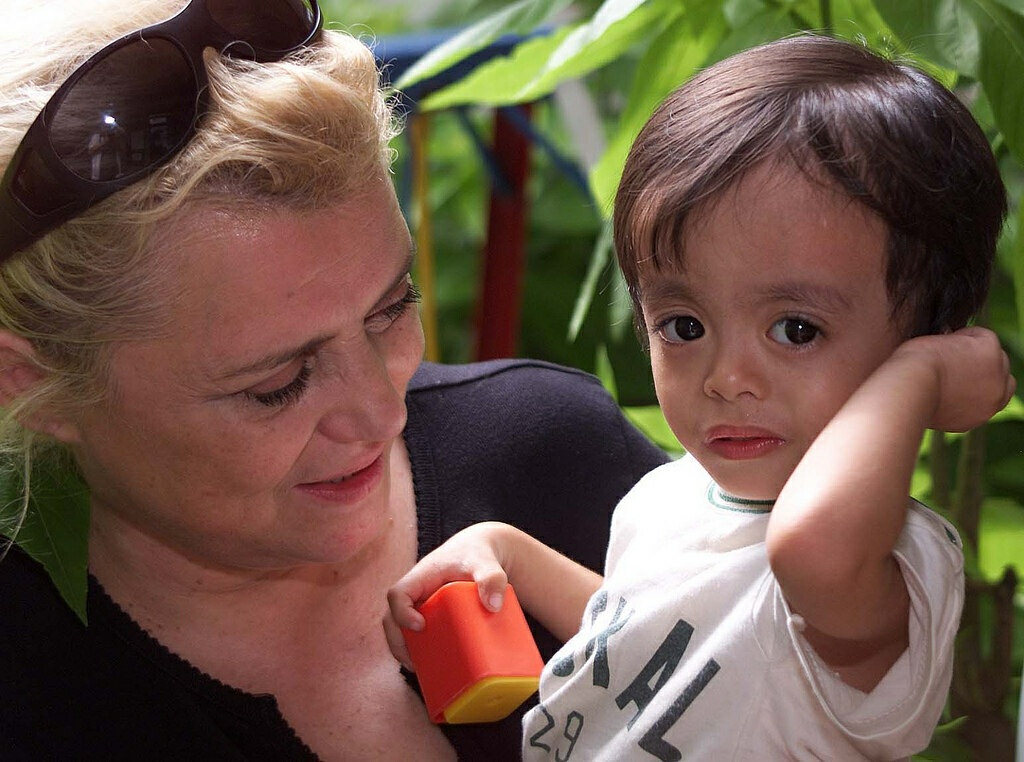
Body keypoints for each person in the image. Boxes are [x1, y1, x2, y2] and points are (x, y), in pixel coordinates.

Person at [0, 1, 669, 759]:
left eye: (392, 308)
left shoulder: (552, 460)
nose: (383, 414)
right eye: (278, 382)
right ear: (29, 380)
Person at [387, 35, 1018, 759]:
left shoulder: (892, 565)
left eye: (796, 329)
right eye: (684, 326)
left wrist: (920, 377)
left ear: (928, 334)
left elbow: (811, 554)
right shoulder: (669, 498)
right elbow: (653, 648)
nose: (726, 376)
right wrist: (512, 554)